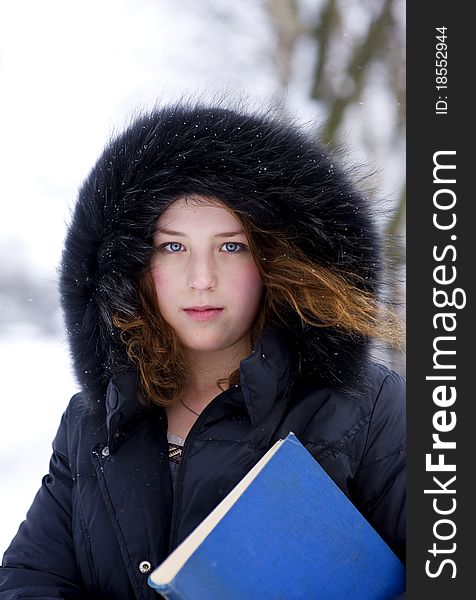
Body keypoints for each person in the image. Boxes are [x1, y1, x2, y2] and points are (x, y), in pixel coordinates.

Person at [0, 101, 406, 599]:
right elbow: (30, 580)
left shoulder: (368, 410)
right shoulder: (91, 422)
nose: (202, 279)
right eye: (173, 247)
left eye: (230, 246)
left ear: (274, 257)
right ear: (133, 264)